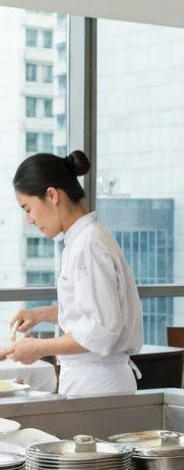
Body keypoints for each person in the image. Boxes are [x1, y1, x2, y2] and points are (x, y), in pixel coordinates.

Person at [1, 151, 142, 397]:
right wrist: (42, 314)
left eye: (28, 208)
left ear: (52, 195)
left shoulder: (88, 245)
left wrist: (38, 347)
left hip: (97, 385)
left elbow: (102, 330)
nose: (29, 220)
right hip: (94, 382)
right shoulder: (84, 240)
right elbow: (92, 314)